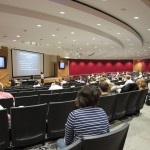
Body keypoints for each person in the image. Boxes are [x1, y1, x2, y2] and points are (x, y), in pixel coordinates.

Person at [56, 85, 110, 149]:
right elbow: (107, 133)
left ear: (79, 99)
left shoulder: (74, 115)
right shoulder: (102, 111)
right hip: (99, 147)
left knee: (59, 141)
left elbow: (68, 141)